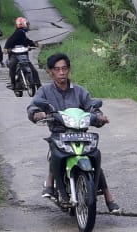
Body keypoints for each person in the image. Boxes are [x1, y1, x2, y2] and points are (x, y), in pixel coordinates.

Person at [27, 53, 121, 213]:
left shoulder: (79, 91)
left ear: (69, 70)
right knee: (56, 154)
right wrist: (38, 114)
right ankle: (55, 188)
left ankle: (108, 195)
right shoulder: (45, 91)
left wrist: (99, 117)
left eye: (64, 68)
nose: (61, 72)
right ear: (50, 72)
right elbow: (33, 108)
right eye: (57, 69)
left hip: (81, 134)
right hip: (59, 134)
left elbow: (92, 107)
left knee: (94, 155)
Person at [3, 17, 40, 90]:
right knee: (13, 66)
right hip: (15, 55)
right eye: (27, 24)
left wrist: (33, 44)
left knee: (31, 69)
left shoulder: (22, 33)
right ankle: (14, 84)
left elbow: (26, 41)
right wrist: (6, 48)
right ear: (22, 24)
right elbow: (10, 40)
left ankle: (37, 84)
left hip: (23, 54)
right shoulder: (18, 32)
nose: (28, 26)